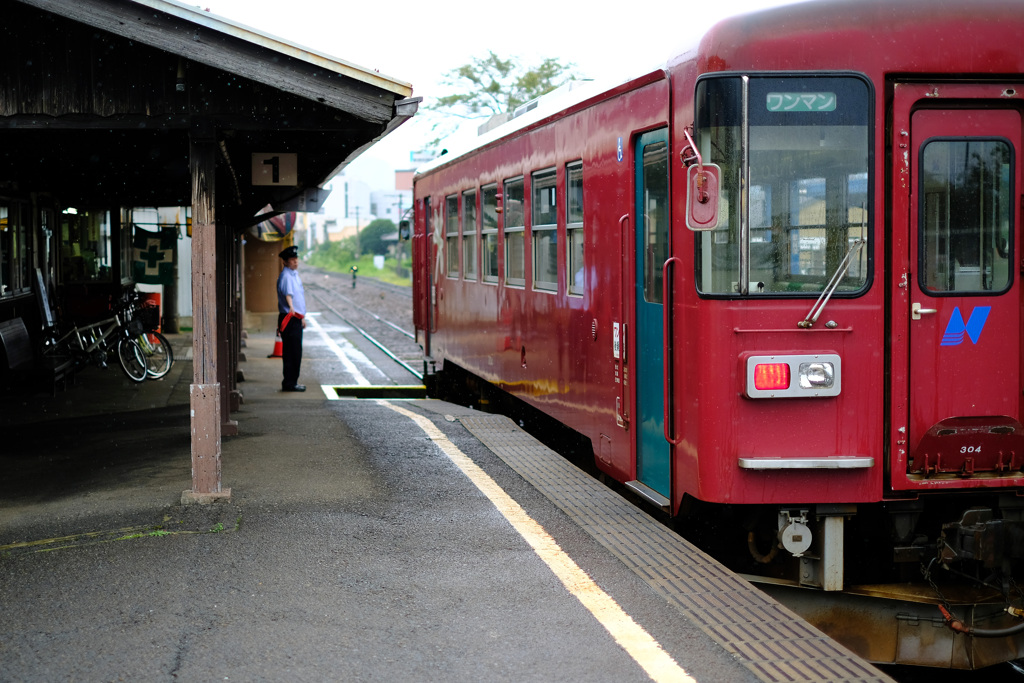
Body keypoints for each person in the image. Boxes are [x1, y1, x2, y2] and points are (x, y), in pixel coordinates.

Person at [277, 245, 307, 392]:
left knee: (295, 351)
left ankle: (292, 381)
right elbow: (288, 295)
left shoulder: (294, 275)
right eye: (292, 260)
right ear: (285, 262)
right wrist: (292, 309)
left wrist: (302, 318)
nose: (295, 262)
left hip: (296, 317)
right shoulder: (287, 276)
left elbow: (299, 298)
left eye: (296, 259)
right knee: (291, 352)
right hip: (290, 317)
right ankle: (289, 383)